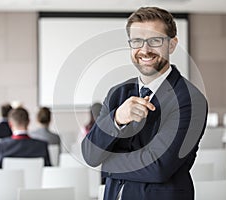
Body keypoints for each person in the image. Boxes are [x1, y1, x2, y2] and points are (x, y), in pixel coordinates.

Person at [81, 7, 208, 200]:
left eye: (155, 41)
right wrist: (117, 118)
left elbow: (158, 167)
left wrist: (106, 164)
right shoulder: (117, 93)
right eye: (137, 41)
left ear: (172, 44)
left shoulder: (190, 99)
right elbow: (90, 154)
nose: (145, 50)